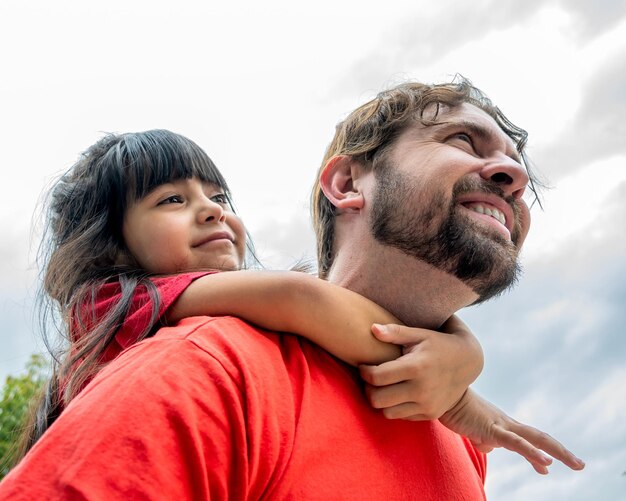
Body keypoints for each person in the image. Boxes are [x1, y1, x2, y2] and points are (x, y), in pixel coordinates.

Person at [0, 80, 583, 499]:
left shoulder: (454, 438)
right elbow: (303, 300)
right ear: (346, 182)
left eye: (219, 198)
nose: (516, 177)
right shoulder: (203, 360)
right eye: (461, 141)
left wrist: (457, 361)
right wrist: (460, 378)